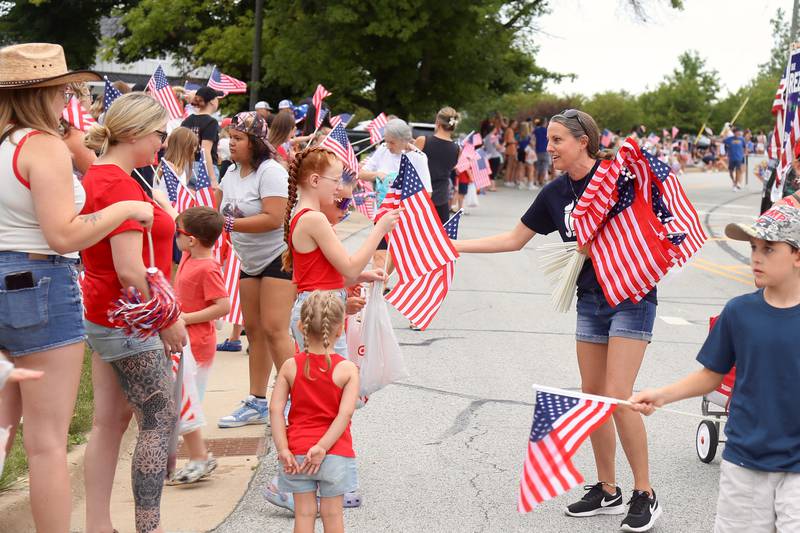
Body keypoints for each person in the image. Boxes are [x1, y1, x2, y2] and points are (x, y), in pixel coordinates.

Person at [453, 109, 661, 532]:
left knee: (619, 396)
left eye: (558, 140)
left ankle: (645, 493)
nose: (550, 149)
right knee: (593, 398)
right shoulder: (555, 193)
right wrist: (454, 245)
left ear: (584, 140)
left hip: (632, 296)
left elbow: (656, 220)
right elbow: (514, 239)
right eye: (549, 141)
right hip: (591, 300)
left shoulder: (618, 177)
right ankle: (607, 488)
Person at [0, 42, 155, 533]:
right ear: (45, 92)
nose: (70, 93)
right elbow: (63, 233)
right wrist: (126, 210)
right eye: (63, 85)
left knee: (2, 430)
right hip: (40, 279)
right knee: (45, 442)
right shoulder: (40, 145)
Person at [630, 203, 800, 532]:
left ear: (797, 255)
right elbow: (711, 375)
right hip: (744, 464)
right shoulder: (739, 312)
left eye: (768, 248)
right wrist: (662, 394)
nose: (756, 257)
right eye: (753, 248)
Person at [80, 92, 187, 533]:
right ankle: (149, 526)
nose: (162, 143)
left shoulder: (100, 176)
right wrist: (169, 318)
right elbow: (130, 269)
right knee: (158, 419)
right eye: (160, 134)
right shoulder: (120, 185)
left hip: (104, 313)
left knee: (108, 425)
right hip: (130, 320)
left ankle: (98, 524)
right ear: (134, 133)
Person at [217, 111, 295, 428]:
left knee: (276, 329)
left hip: (279, 256)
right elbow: (216, 208)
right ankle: (258, 401)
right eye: (230, 137)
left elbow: (274, 218)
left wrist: (228, 223)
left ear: (255, 142)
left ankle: (297, 399)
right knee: (255, 331)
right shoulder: (231, 174)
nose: (230, 143)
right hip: (248, 260)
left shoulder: (271, 172)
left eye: (237, 139)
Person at [282, 147, 399, 355]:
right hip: (320, 311)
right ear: (315, 181)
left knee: (322, 380)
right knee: (332, 383)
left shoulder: (306, 216)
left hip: (318, 308)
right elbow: (350, 268)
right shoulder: (314, 219)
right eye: (335, 181)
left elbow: (321, 276)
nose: (338, 189)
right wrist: (379, 230)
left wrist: (365, 275)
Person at [269, 290, 360, 533]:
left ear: (300, 325)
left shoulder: (291, 366)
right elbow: (345, 414)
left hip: (297, 451)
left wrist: (283, 449)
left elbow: (275, 409)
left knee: (304, 514)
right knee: (333, 515)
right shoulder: (347, 370)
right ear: (340, 329)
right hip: (336, 451)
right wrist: (323, 446)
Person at [169, 207, 231, 484]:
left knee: (186, 401)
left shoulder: (206, 267)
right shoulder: (188, 256)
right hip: (185, 344)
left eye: (177, 233)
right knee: (181, 400)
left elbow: (223, 306)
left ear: (191, 239)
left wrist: (185, 318)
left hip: (197, 346)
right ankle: (195, 456)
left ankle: (199, 457)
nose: (175, 238)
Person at [359, 118, 430, 270]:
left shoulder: (418, 158)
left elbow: (427, 192)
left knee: (394, 258)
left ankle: (382, 287)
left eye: (392, 142)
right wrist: (378, 174)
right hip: (383, 213)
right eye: (387, 141)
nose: (389, 145)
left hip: (404, 216)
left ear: (404, 140)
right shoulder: (383, 150)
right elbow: (361, 173)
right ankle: (376, 290)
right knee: (379, 257)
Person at [414, 107, 461, 224]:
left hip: (420, 197)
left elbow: (409, 168)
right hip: (442, 200)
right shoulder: (457, 149)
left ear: (438, 121)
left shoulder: (422, 141)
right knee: (438, 239)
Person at [182, 86, 223, 186]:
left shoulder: (187, 120)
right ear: (212, 101)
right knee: (206, 200)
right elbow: (205, 151)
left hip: (187, 166)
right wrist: (213, 179)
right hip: (204, 168)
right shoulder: (211, 122)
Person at [480, 120, 502, 192]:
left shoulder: (486, 137)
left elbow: (485, 147)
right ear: (493, 129)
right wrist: (503, 146)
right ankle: (492, 186)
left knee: (490, 171)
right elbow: (497, 146)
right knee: (494, 171)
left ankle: (488, 186)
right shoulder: (493, 137)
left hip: (488, 156)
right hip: (495, 156)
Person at [533, 117, 550, 186]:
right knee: (544, 167)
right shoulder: (547, 131)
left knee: (537, 167)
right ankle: (541, 181)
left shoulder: (536, 130)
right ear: (545, 123)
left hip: (537, 150)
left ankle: (535, 180)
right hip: (545, 151)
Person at [502, 119, 518, 187]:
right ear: (512, 124)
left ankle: (509, 180)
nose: (516, 125)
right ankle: (507, 180)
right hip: (511, 149)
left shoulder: (509, 130)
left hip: (511, 149)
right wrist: (515, 141)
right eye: (515, 124)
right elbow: (509, 140)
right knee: (510, 165)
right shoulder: (510, 130)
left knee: (511, 165)